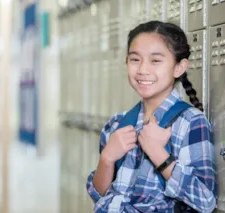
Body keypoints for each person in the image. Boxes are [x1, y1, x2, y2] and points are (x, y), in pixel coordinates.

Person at [86, 21, 217, 213]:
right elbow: (100, 195)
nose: (142, 70)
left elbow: (205, 201)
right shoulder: (117, 124)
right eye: (135, 60)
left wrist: (159, 154)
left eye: (155, 61)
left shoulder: (190, 123)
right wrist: (106, 159)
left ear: (179, 67)